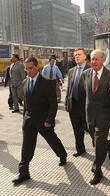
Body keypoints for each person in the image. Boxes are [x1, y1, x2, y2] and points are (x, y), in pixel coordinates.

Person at [12, 57, 67, 185]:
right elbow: (26, 103)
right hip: (29, 122)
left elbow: (53, 104)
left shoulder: (47, 82)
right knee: (26, 148)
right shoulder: (25, 82)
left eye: (31, 68)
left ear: (37, 67)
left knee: (52, 140)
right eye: (26, 69)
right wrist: (24, 118)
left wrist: (49, 119)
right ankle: (23, 173)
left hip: (44, 121)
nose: (28, 71)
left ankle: (62, 155)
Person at [79, 49, 110, 185]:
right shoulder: (85, 74)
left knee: (98, 142)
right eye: (92, 59)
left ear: (103, 60)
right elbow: (86, 95)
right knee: (98, 142)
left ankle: (97, 171)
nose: (94, 61)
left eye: (97, 59)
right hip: (90, 115)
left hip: (105, 116)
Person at [65, 48, 91, 157]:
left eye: (79, 54)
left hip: (86, 106)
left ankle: (107, 146)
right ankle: (80, 149)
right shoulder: (71, 71)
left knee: (90, 129)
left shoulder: (91, 69)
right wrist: (66, 102)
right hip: (73, 105)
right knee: (77, 129)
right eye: (75, 55)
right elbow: (69, 88)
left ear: (85, 56)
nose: (77, 56)